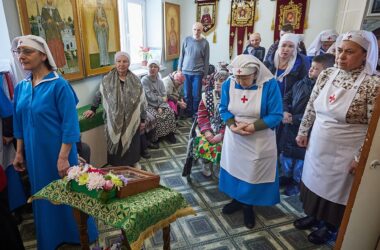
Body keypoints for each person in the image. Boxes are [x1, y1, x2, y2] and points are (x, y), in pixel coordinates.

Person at [11, 35, 98, 250]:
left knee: (68, 194)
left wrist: (62, 158)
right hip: (34, 154)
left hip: (59, 153)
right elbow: (19, 123)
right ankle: (51, 238)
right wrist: (19, 152)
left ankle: (78, 234)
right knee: (43, 194)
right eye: (19, 52)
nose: (22, 57)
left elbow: (70, 126)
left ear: (43, 55)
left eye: (27, 52)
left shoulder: (59, 85)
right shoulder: (22, 87)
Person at [294, 30, 380, 244]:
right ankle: (313, 216)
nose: (341, 56)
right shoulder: (326, 74)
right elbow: (312, 106)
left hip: (345, 149)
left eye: (349, 52)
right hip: (318, 142)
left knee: (336, 192)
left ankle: (329, 227)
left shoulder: (373, 84)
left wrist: (360, 157)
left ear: (365, 54)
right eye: (340, 50)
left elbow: (374, 128)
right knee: (314, 181)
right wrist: (303, 131)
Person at [219, 54, 283, 229]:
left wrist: (253, 127)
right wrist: (232, 126)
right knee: (235, 168)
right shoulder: (229, 83)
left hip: (259, 138)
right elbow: (223, 109)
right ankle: (237, 199)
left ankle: (249, 206)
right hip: (235, 136)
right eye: (237, 77)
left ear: (256, 73)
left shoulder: (270, 86)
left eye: (245, 78)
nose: (240, 81)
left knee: (252, 172)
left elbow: (276, 115)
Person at [279, 54, 335, 196]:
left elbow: (317, 112)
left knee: (300, 160)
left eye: (316, 69)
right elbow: (287, 97)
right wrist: (285, 111)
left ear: (326, 72)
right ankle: (287, 176)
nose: (310, 70)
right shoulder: (301, 83)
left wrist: (295, 119)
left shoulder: (325, 90)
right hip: (290, 127)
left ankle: (297, 182)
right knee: (287, 155)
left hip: (306, 130)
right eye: (311, 67)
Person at [83, 51, 146, 167]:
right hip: (114, 120)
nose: (121, 64)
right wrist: (93, 109)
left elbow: (141, 102)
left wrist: (142, 120)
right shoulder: (107, 79)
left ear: (129, 63)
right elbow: (99, 94)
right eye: (119, 61)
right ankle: (117, 165)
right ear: (115, 63)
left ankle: (133, 162)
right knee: (116, 144)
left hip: (131, 119)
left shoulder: (136, 81)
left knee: (132, 142)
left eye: (125, 61)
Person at [195, 62, 229, 177]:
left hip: (227, 129)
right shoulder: (207, 96)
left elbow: (235, 119)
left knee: (223, 144)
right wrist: (207, 131)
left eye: (222, 80)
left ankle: (220, 164)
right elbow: (202, 116)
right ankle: (205, 162)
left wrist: (222, 134)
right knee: (205, 141)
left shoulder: (233, 99)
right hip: (208, 126)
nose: (218, 83)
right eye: (216, 80)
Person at [178, 22, 210, 117]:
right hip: (185, 72)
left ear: (202, 30)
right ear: (192, 30)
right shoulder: (186, 40)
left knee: (196, 95)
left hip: (198, 73)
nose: (196, 32)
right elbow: (181, 55)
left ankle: (196, 113)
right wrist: (179, 69)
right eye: (195, 29)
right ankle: (188, 112)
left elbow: (206, 60)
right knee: (187, 94)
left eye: (199, 30)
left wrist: (205, 75)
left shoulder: (205, 43)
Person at [142, 59, 177, 144]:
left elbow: (164, 94)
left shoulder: (160, 81)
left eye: (155, 67)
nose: (152, 69)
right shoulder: (144, 80)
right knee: (156, 116)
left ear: (158, 69)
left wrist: (161, 106)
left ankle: (170, 133)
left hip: (160, 105)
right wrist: (160, 100)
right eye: (151, 66)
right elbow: (149, 96)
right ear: (148, 68)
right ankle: (156, 137)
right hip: (149, 105)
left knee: (170, 112)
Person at [41, 0, 67, 68]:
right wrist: (47, 22)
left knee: (58, 47)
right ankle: (53, 66)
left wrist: (58, 23)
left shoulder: (55, 10)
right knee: (51, 48)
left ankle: (60, 65)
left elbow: (60, 21)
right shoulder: (44, 10)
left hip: (57, 33)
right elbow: (42, 23)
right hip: (49, 34)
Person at [93, 0, 110, 66]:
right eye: (98, 4)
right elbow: (94, 23)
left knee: (105, 47)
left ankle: (107, 62)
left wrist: (104, 25)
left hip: (104, 32)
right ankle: (102, 62)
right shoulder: (96, 12)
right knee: (101, 47)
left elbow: (106, 23)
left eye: (100, 3)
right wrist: (99, 26)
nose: (99, 5)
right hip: (99, 33)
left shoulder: (103, 12)